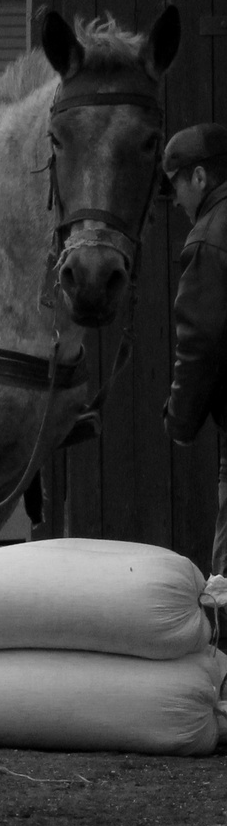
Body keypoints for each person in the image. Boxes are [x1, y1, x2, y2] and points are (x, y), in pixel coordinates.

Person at [162, 123, 227, 577]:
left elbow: (200, 339)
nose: (177, 201)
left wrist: (181, 421)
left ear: (199, 177)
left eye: (176, 186)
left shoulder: (210, 236)